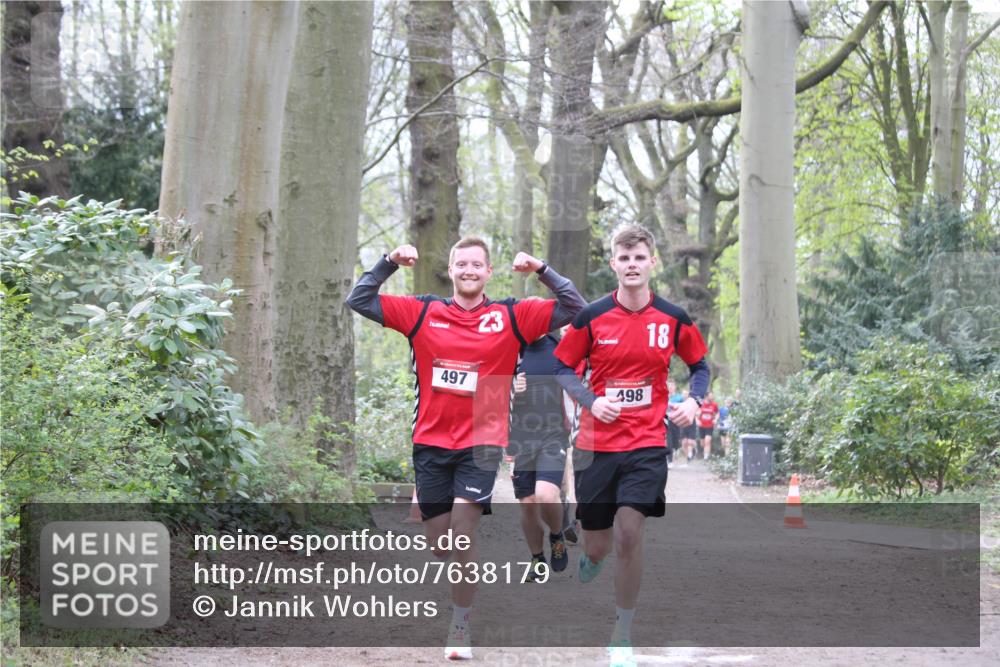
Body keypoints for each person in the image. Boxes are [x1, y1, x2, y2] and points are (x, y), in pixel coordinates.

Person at [346, 238, 585, 660]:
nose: (470, 270)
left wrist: (541, 269)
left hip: (482, 443)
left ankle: (460, 625)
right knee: (440, 543)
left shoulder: (511, 315)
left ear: (489, 272)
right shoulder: (423, 312)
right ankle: (459, 602)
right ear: (451, 270)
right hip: (430, 443)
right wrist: (389, 262)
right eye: (462, 264)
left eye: (478, 264)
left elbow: (576, 309)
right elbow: (360, 299)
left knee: (462, 534)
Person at [553, 224, 709, 666]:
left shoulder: (674, 318)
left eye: (640, 257)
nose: (632, 265)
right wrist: (591, 399)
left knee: (629, 532)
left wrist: (694, 402)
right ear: (614, 264)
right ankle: (591, 556)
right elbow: (564, 367)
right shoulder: (591, 317)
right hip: (595, 444)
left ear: (652, 262)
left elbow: (699, 366)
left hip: (646, 442)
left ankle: (622, 631)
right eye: (624, 258)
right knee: (600, 543)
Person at [509, 330, 581, 582]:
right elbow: (487, 388)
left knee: (546, 494)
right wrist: (510, 387)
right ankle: (537, 558)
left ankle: (557, 535)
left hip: (552, 434)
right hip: (520, 439)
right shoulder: (510, 346)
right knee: (528, 505)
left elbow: (577, 381)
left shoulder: (559, 347)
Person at [697, 391, 720, 459]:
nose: (712, 397)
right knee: (702, 443)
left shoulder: (714, 405)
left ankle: (706, 456)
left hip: (709, 425)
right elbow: (696, 413)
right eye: (710, 396)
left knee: (708, 441)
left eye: (712, 396)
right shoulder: (701, 404)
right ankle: (704, 452)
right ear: (706, 396)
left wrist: (715, 419)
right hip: (701, 425)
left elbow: (717, 413)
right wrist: (697, 420)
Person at [681, 389, 698, 462]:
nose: (685, 395)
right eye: (683, 394)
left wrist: (697, 416)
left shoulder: (692, 403)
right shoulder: (680, 403)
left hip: (691, 423)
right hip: (683, 423)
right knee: (684, 442)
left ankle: (694, 450)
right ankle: (688, 456)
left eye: (686, 394)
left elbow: (698, 411)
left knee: (690, 442)